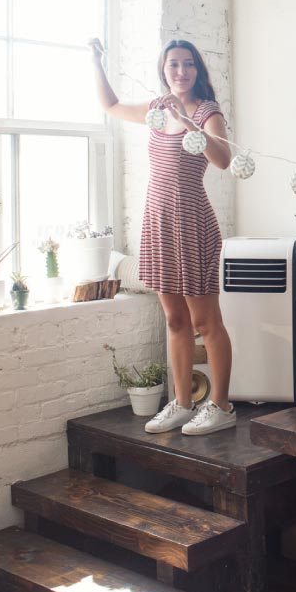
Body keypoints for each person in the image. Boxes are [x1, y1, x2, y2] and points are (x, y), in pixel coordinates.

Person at [92, 38, 237, 436]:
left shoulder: (208, 112)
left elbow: (223, 160)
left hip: (192, 224)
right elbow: (110, 105)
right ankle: (182, 402)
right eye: (173, 64)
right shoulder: (156, 110)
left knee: (206, 322)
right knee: (174, 320)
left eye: (188, 64)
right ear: (164, 69)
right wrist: (96, 60)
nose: (181, 71)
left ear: (198, 71)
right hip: (157, 222)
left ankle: (221, 406)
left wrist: (189, 123)